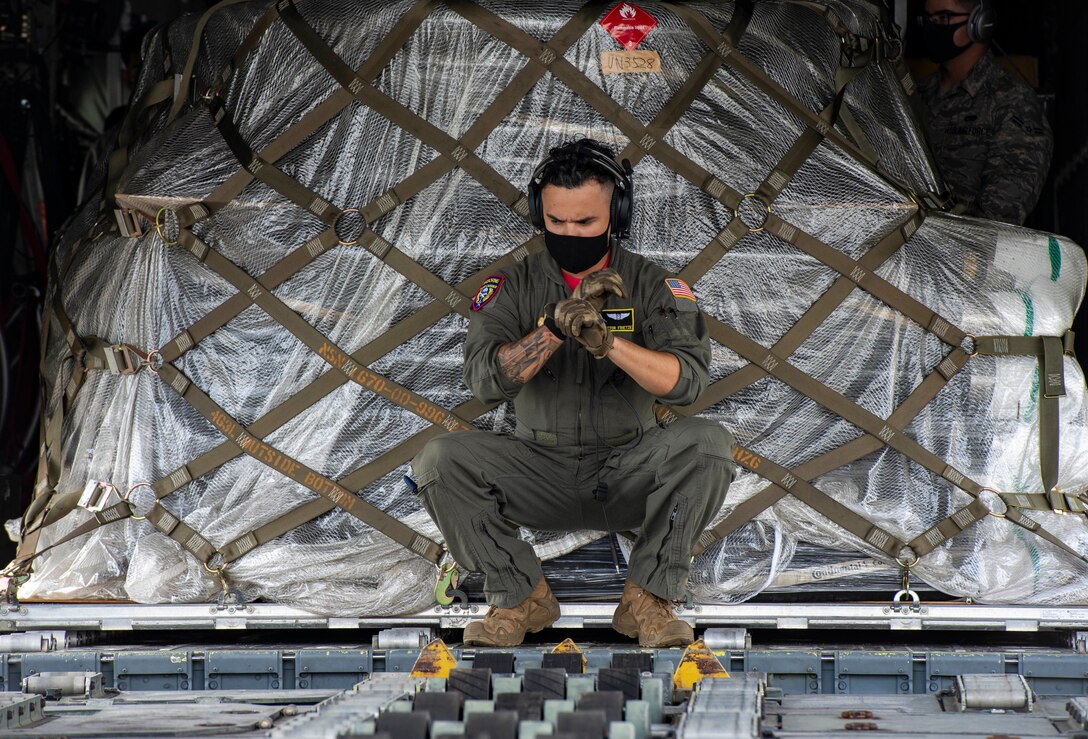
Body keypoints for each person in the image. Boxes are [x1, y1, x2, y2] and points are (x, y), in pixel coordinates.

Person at [411, 139, 735, 648]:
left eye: (584, 223)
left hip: (630, 467)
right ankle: (519, 597)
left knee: (707, 444)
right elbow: (482, 382)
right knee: (440, 460)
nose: (568, 233)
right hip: (539, 467)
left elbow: (686, 384)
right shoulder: (510, 284)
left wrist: (609, 344)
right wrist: (554, 332)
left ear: (617, 214)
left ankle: (647, 599)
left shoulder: (653, 285)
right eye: (556, 222)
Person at [914, 0, 1052, 225]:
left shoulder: (1012, 102)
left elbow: (1000, 214)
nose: (932, 26)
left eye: (943, 18)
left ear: (980, 23)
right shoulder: (915, 94)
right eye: (928, 19)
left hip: (965, 250)